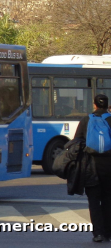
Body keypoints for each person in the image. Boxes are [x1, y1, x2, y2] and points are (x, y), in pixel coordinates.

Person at [74, 94, 111, 242]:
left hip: (90, 167)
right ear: (107, 106)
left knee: (94, 201)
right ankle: (108, 232)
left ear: (94, 105)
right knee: (108, 199)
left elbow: (77, 142)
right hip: (109, 167)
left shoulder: (86, 120)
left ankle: (98, 233)